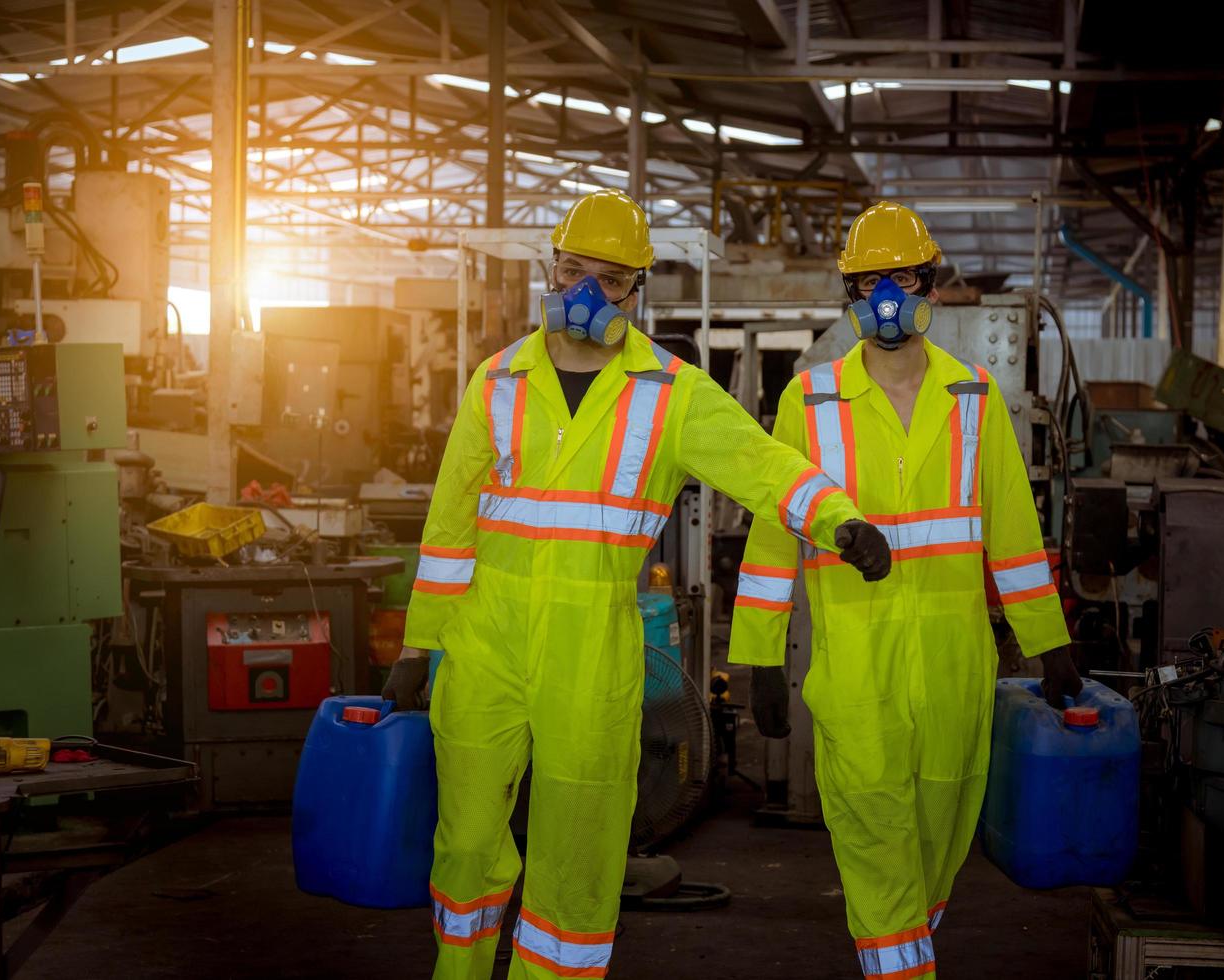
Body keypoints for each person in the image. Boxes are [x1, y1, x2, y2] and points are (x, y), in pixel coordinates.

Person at [381, 188, 891, 980]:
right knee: (467, 840)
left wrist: (838, 520)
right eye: (574, 269)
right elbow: (449, 529)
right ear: (552, 268)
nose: (587, 291)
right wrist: (419, 645)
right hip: (485, 647)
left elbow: (762, 465)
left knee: (579, 847)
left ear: (635, 291)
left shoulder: (671, 394)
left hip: (593, 653)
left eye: (611, 280)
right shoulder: (498, 382)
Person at [729, 202, 1081, 979]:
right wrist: (756, 658)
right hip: (856, 676)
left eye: (902, 277)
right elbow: (769, 534)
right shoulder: (810, 400)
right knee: (878, 858)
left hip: (957, 676)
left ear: (927, 281)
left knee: (935, 856)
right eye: (868, 281)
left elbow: (1015, 535)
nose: (887, 295)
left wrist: (1051, 646)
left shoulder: (974, 398)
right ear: (848, 295)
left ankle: (904, 954)